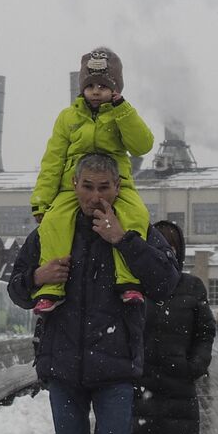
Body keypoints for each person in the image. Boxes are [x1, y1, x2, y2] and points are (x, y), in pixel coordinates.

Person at [8, 153, 181, 434]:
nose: (95, 197)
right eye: (88, 187)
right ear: (75, 184)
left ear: (118, 186)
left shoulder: (133, 227)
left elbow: (166, 283)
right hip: (64, 369)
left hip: (116, 368)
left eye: (104, 188)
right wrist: (37, 276)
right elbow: (16, 287)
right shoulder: (53, 229)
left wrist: (123, 240)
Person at [29, 47, 156, 314]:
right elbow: (53, 160)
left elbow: (142, 145)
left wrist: (124, 111)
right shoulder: (68, 118)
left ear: (116, 89)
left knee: (136, 214)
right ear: (81, 88)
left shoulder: (121, 115)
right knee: (54, 222)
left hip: (117, 185)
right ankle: (51, 288)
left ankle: (128, 281)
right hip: (71, 187)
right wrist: (41, 201)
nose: (96, 92)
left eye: (103, 86)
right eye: (90, 86)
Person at [130, 221, 216, 434]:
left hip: (176, 380)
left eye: (170, 245)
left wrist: (196, 365)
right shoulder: (134, 285)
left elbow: (205, 331)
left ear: (178, 250)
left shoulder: (192, 287)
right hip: (141, 380)